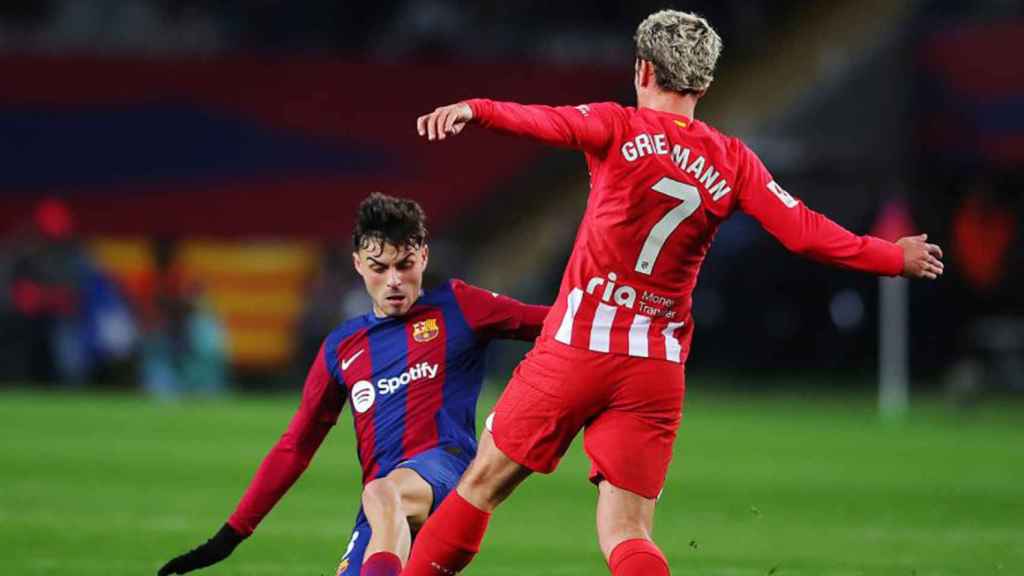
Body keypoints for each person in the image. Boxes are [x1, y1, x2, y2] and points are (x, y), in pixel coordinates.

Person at [407, 10, 944, 576]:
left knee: (482, 485)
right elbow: (805, 232)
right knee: (626, 531)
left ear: (642, 69)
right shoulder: (733, 161)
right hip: (654, 367)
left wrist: (476, 110)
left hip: (576, 348)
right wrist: (891, 255)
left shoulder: (616, 127)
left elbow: (546, 122)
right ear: (705, 84)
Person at [157, 193, 549, 576]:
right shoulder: (342, 347)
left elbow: (558, 324)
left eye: (405, 264)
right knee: (380, 498)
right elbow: (295, 447)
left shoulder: (461, 307)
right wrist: (230, 535)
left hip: (445, 476)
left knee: (383, 492)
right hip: (381, 512)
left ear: (424, 257)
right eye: (380, 268)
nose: (394, 280)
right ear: (359, 265)